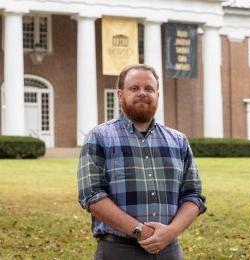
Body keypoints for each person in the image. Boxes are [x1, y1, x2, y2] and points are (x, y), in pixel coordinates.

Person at [77, 64, 206, 260]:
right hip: (119, 251)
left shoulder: (178, 141)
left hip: (169, 251)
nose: (142, 93)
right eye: (134, 88)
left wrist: (170, 232)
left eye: (149, 89)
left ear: (157, 95)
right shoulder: (99, 137)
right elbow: (92, 196)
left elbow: (193, 196)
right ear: (120, 95)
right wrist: (141, 232)